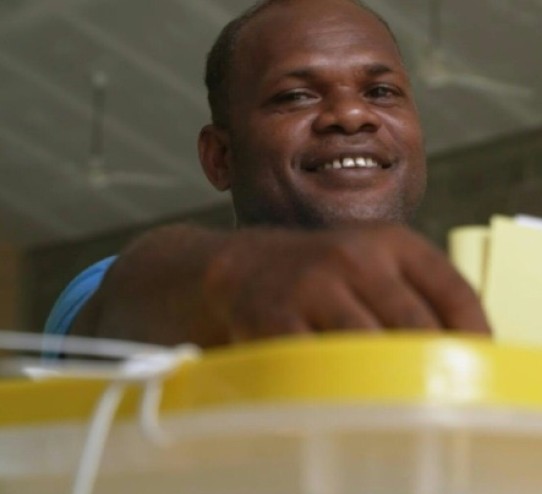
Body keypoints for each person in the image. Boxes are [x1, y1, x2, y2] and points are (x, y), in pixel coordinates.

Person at [45, 0, 490, 347]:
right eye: (295, 96)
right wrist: (243, 278)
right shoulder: (111, 293)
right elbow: (121, 304)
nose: (353, 114)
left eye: (380, 91)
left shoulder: (473, 315)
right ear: (220, 157)